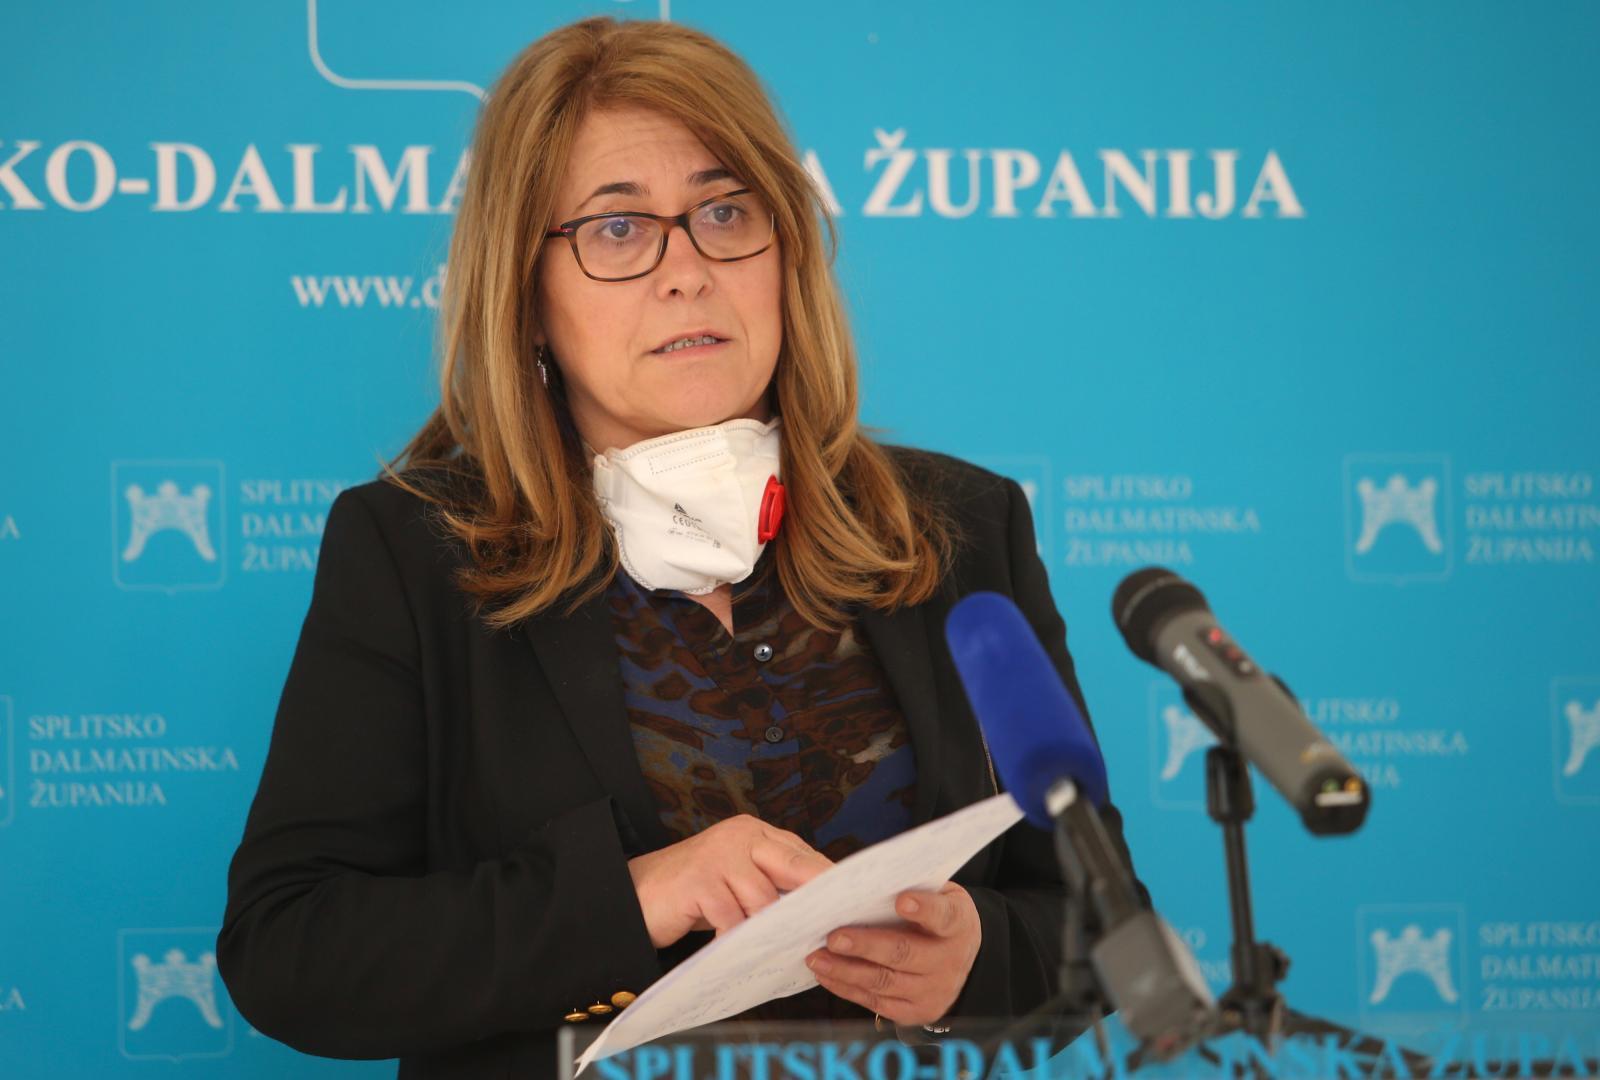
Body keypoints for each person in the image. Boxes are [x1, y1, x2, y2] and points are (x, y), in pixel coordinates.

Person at [218, 15, 1147, 1079]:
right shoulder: (412, 552)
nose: (687, 271)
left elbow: (1102, 925)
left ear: (786, 253)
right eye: (618, 229)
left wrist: (976, 961)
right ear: (527, 290)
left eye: (724, 212)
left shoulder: (961, 527)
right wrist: (635, 896)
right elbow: (292, 952)